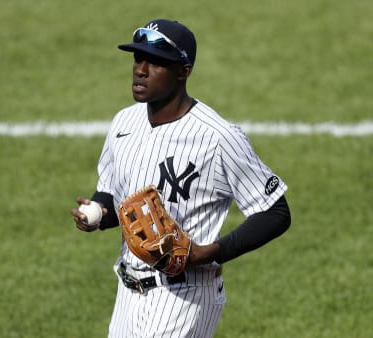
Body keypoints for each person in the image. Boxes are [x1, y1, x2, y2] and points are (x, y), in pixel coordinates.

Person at [71, 18, 291, 338]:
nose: (141, 70)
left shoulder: (217, 138)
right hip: (128, 293)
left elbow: (275, 212)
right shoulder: (124, 122)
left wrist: (207, 253)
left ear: (183, 71)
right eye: (138, 58)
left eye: (156, 62)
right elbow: (113, 194)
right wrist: (99, 213)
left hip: (185, 298)